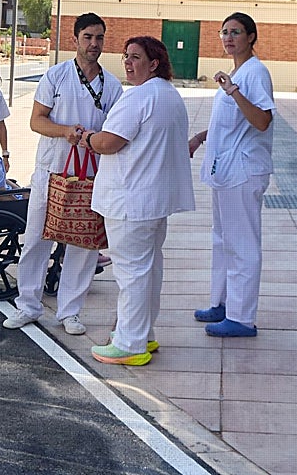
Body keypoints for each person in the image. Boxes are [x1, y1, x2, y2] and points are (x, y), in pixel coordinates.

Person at [2, 13, 123, 337]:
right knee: (37, 239)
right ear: (75, 39)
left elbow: (116, 129)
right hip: (51, 170)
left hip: (92, 175)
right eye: (88, 37)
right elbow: (36, 121)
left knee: (83, 245)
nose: (94, 44)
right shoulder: (55, 76)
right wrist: (66, 131)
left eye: (99, 37)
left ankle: (70, 311)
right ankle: (28, 306)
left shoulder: (112, 85)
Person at [81, 36, 195, 366]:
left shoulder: (139, 97)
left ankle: (130, 343)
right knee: (148, 271)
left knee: (131, 274)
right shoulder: (170, 95)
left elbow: (109, 141)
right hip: (152, 200)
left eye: (136, 57)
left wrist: (87, 137)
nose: (128, 63)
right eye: (126, 56)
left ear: (154, 63)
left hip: (130, 201)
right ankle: (142, 333)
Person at [188, 12, 275, 338]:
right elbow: (231, 122)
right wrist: (200, 137)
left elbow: (262, 120)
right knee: (223, 242)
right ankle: (222, 304)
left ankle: (242, 318)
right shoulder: (240, 72)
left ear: (251, 36)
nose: (228, 38)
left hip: (243, 172)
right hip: (226, 172)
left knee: (242, 245)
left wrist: (234, 91)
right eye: (224, 32)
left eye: (235, 32)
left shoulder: (255, 73)